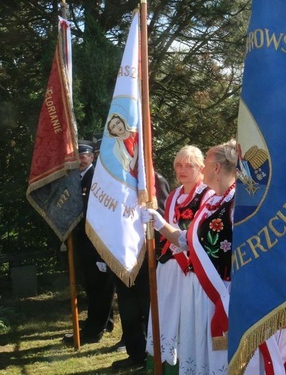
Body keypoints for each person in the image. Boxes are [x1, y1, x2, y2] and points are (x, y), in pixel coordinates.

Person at [142, 139, 285, 374]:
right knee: (202, 356)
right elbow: (189, 242)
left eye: (205, 164)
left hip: (220, 293)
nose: (202, 169)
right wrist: (161, 225)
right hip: (199, 292)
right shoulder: (216, 202)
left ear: (216, 168)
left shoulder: (236, 203)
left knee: (221, 359)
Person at [144, 146, 213, 370]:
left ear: (201, 168)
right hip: (169, 268)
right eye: (178, 165)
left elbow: (200, 235)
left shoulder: (208, 194)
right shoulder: (174, 194)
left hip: (193, 270)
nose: (182, 170)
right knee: (165, 315)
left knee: (187, 320)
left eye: (189, 165)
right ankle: (162, 364)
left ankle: (187, 365)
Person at [110, 171, 169, 370]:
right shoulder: (116, 183)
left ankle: (153, 359)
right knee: (128, 308)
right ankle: (135, 354)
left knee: (148, 309)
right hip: (123, 256)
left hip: (147, 258)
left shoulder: (154, 181)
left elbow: (161, 217)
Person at [63, 141, 115, 346]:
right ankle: (104, 321)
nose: (81, 160)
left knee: (99, 287)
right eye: (77, 156)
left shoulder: (97, 178)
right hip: (84, 242)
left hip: (98, 243)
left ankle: (94, 331)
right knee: (94, 287)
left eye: (84, 156)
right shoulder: (77, 178)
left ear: (92, 157)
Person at [107, 113, 139, 177]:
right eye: (113, 126)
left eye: (118, 122)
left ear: (122, 122)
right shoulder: (116, 148)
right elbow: (128, 169)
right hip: (135, 177)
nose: (118, 126)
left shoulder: (137, 134)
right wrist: (135, 155)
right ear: (112, 132)